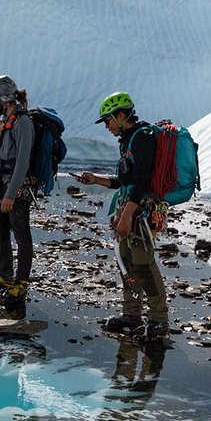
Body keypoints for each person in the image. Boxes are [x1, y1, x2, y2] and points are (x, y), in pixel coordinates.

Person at [78, 91, 169, 340]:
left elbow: (141, 181)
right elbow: (125, 181)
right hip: (130, 210)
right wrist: (96, 179)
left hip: (139, 212)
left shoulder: (142, 138)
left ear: (120, 115)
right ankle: (132, 316)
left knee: (144, 266)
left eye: (107, 121)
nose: (106, 126)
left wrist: (127, 216)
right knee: (127, 263)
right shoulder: (128, 140)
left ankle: (159, 321)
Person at [0, 75, 34, 300]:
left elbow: (23, 162)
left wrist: (11, 194)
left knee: (21, 234)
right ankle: (5, 276)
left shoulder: (23, 122)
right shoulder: (8, 123)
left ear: (3, 98)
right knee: (0, 229)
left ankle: (21, 283)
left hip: (17, 190)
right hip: (2, 186)